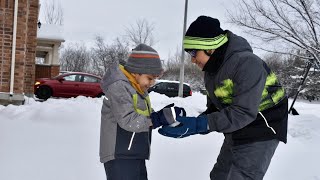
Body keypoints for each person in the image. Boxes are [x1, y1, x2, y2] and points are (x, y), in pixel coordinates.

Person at [158, 16, 288, 180]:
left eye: (193, 52)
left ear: (209, 48)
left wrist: (200, 125)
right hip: (237, 126)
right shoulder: (211, 72)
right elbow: (216, 108)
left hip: (263, 126)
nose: (192, 60)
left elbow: (244, 112)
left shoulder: (247, 64)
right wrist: (191, 125)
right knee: (220, 175)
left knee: (241, 176)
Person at [99, 43, 185, 180]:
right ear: (135, 72)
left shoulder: (137, 88)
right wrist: (157, 119)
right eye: (150, 78)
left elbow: (145, 115)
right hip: (119, 155)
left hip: (133, 151)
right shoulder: (119, 87)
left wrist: (164, 114)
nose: (151, 83)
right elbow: (128, 120)